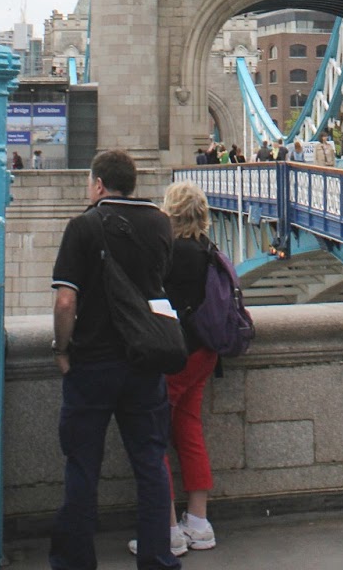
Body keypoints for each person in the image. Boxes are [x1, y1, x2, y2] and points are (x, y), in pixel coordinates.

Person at [50, 149, 179, 570]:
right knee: (150, 464)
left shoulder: (83, 226)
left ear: (99, 184)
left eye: (91, 183)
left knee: (83, 467)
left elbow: (66, 300)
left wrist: (62, 349)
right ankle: (158, 558)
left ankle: (75, 563)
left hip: (92, 364)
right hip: (145, 361)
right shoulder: (162, 223)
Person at [127, 180, 219, 560]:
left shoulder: (169, 254)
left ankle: (165, 531)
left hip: (175, 354)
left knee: (153, 434)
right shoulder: (209, 250)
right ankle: (199, 522)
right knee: (189, 429)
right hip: (206, 352)